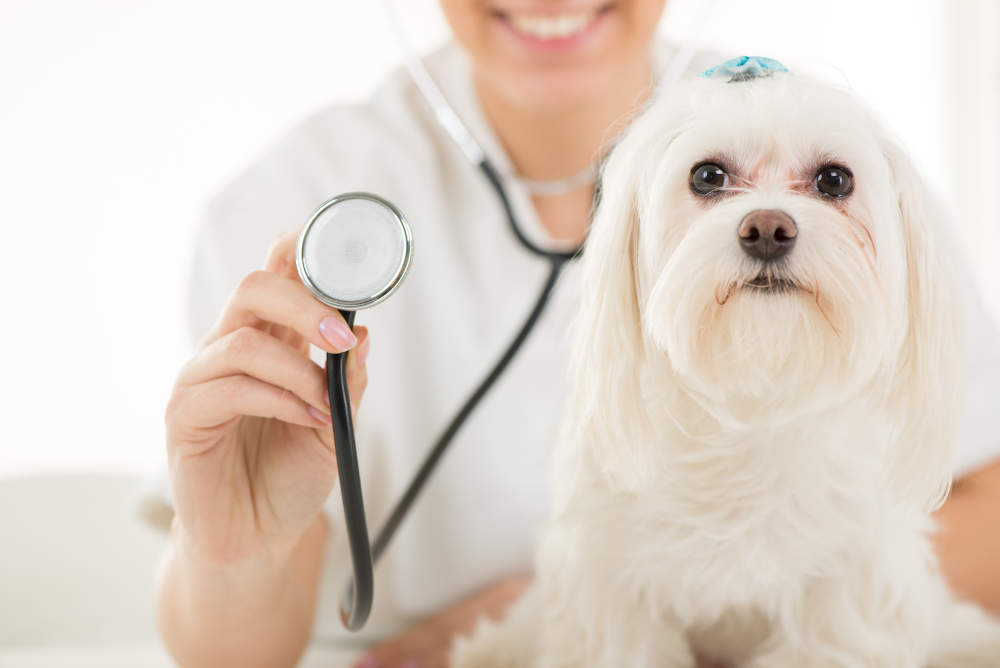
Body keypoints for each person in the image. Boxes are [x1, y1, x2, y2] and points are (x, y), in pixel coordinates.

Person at [155, 2, 1000, 667]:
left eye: (827, 184)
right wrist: (229, 542)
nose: (770, 222)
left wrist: (588, 600)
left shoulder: (870, 172)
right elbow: (236, 656)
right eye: (710, 181)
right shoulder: (294, 197)